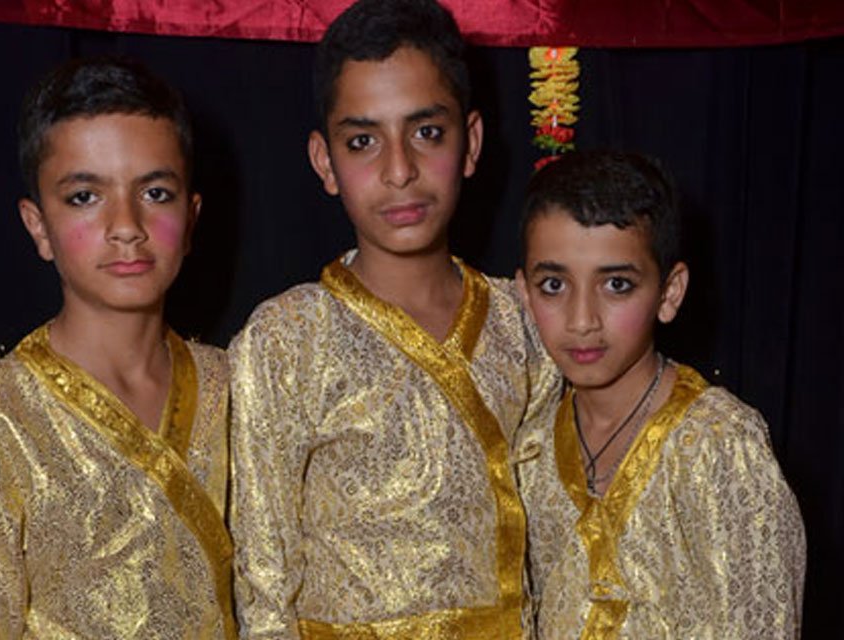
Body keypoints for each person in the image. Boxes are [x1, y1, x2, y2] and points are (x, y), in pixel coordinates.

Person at [229, 1, 560, 638]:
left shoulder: (523, 321)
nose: (400, 169)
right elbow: (264, 579)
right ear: (325, 162)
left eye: (427, 132)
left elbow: (553, 546)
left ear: (471, 143)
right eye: (363, 142)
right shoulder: (286, 338)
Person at [0, 57, 236, 639]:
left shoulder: (235, 387)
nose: (126, 225)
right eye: (85, 196)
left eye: (155, 192)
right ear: (38, 226)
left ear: (190, 219)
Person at [514, 150, 806, 638]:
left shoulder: (717, 446)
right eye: (554, 285)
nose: (582, 319)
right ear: (524, 294)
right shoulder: (532, 446)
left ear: (669, 293)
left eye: (616, 284)